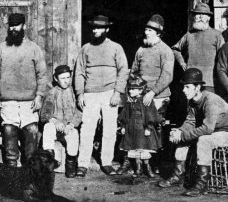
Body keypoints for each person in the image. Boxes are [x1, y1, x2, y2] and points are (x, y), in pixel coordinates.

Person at [158, 68, 228, 197]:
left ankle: (202, 184)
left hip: (224, 131)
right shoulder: (192, 101)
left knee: (204, 140)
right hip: (212, 130)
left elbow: (207, 129)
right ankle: (178, 175)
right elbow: (190, 121)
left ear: (198, 87)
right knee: (181, 136)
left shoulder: (210, 101)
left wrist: (183, 134)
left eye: (188, 87)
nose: (184, 90)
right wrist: (179, 132)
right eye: (184, 87)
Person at [74, 15, 129, 177]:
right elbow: (79, 73)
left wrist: (117, 92)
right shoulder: (86, 49)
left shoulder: (116, 48)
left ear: (107, 29)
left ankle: (106, 162)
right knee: (87, 129)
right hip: (90, 94)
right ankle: (82, 164)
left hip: (109, 93)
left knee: (110, 129)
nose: (95, 30)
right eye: (93, 28)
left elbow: (123, 71)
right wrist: (80, 94)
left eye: (99, 28)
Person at [0, 13, 47, 167]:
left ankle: (29, 172)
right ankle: (11, 172)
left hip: (29, 102)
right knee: (9, 132)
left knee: (31, 132)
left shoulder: (34, 49)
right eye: (11, 25)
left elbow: (42, 75)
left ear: (24, 26)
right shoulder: (1, 48)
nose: (13, 28)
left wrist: (39, 96)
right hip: (8, 101)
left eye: (17, 25)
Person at [130, 14, 174, 173]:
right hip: (140, 96)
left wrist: (152, 93)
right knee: (136, 127)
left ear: (159, 34)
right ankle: (137, 163)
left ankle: (156, 163)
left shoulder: (166, 51)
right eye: (146, 29)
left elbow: (167, 76)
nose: (146, 33)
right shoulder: (141, 50)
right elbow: (134, 72)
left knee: (155, 129)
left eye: (150, 30)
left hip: (159, 97)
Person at [172, 2, 224, 93]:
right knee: (192, 106)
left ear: (209, 18)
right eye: (197, 14)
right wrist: (182, 62)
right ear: (193, 17)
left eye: (203, 14)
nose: (200, 17)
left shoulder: (217, 35)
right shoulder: (189, 35)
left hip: (210, 82)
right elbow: (175, 49)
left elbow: (223, 57)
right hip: (191, 82)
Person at [117, 74, 163, 178]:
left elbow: (150, 115)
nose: (130, 91)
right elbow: (125, 115)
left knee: (144, 149)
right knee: (135, 148)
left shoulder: (146, 101)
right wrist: (123, 126)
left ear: (141, 90)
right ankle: (138, 169)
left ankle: (147, 167)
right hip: (132, 129)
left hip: (142, 129)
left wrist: (148, 127)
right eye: (130, 89)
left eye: (133, 89)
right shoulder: (129, 102)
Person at [40, 65, 82, 178]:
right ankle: (48, 164)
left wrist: (71, 124)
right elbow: (45, 113)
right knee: (48, 128)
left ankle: (71, 165)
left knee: (74, 135)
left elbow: (79, 112)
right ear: (56, 78)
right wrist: (54, 121)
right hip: (55, 127)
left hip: (68, 127)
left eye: (68, 77)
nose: (65, 81)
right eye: (62, 78)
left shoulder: (74, 93)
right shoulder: (52, 92)